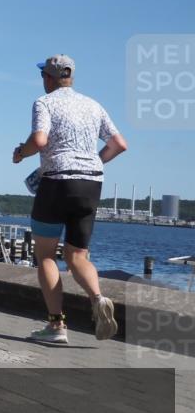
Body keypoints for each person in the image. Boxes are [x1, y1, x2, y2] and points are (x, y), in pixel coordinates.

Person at [13, 55, 128, 344]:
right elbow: (118, 144)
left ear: (49, 78)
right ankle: (99, 298)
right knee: (78, 255)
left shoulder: (44, 103)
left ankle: (56, 326)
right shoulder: (93, 105)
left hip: (57, 183)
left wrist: (20, 152)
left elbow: (39, 140)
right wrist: (94, 163)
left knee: (46, 255)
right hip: (90, 184)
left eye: (43, 76)